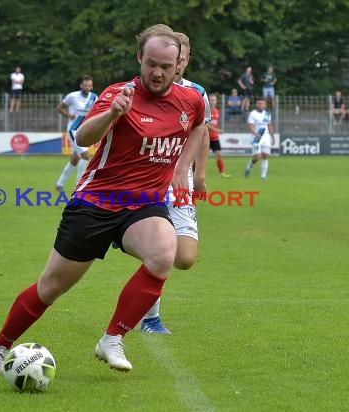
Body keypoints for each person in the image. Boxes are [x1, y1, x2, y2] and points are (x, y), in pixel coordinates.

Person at [0, 24, 206, 373]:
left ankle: (112, 338)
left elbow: (198, 126)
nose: (157, 72)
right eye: (151, 64)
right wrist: (114, 113)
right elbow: (83, 136)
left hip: (144, 206)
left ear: (179, 65)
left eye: (165, 65)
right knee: (51, 287)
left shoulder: (190, 100)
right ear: (139, 59)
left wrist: (182, 167)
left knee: (164, 253)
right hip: (96, 204)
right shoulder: (119, 94)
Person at [139, 31, 210, 335]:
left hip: (183, 182)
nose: (179, 62)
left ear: (185, 59)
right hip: (150, 179)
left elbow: (202, 132)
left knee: (185, 258)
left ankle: (137, 242)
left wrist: (200, 173)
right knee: (162, 248)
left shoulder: (196, 93)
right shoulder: (148, 91)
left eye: (183, 57)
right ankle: (151, 318)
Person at [54, 75, 98, 191]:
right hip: (73, 130)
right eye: (85, 85)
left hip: (84, 131)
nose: (87, 87)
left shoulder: (94, 97)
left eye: (89, 85)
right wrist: (69, 115)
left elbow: (97, 112)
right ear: (81, 85)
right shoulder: (72, 96)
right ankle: (79, 187)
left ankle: (59, 184)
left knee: (75, 159)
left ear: (92, 86)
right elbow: (59, 108)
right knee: (86, 155)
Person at [244, 98, 275, 180]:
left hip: (266, 137)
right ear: (256, 105)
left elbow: (269, 125)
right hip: (256, 137)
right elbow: (250, 125)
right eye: (259, 104)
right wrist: (256, 134)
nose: (261, 105)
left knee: (265, 155)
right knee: (257, 156)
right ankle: (249, 168)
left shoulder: (267, 114)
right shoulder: (253, 114)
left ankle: (263, 176)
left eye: (262, 104)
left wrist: (272, 137)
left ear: (265, 105)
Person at [208, 93, 231, 178]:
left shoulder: (217, 111)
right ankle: (194, 173)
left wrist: (216, 131)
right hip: (205, 138)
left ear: (216, 101)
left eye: (214, 100)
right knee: (200, 158)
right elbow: (205, 124)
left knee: (219, 155)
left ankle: (222, 173)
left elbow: (214, 124)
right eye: (211, 100)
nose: (212, 101)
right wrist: (217, 130)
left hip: (214, 138)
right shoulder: (205, 110)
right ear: (208, 100)